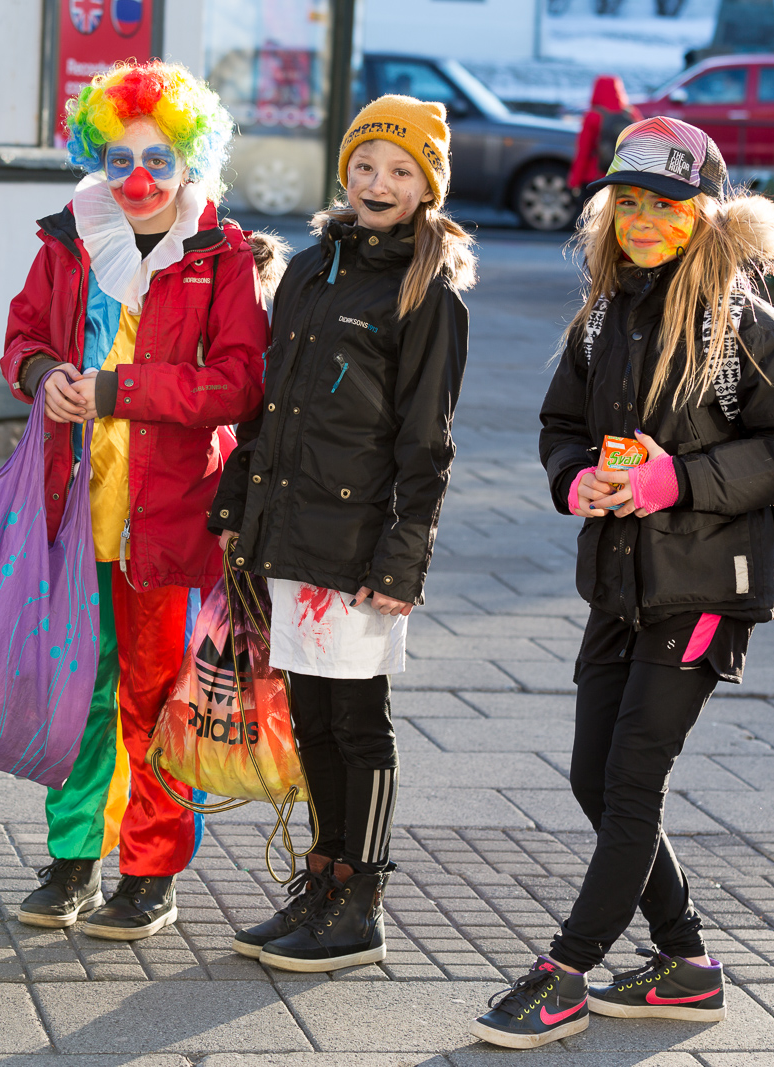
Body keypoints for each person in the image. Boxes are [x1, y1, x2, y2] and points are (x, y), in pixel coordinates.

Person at [472, 116, 774, 1049]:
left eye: (666, 205)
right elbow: (558, 420)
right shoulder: (604, 314)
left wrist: (678, 479)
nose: (643, 219)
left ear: (706, 215)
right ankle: (686, 962)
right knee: (594, 776)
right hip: (619, 581)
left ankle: (566, 971)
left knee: (632, 775)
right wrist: (574, 479)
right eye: (626, 200)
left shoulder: (745, 324)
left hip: (712, 586)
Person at [0, 60, 278, 942]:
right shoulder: (67, 238)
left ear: (191, 159)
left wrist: (122, 391)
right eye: (118, 160)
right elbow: (22, 340)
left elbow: (238, 383)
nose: (139, 180)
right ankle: (74, 856)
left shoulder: (220, 252)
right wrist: (44, 377)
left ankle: (150, 868)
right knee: (74, 687)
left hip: (169, 513)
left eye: (158, 158)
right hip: (73, 509)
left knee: (158, 692)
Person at [208, 95, 476, 973]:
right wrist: (235, 508)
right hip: (292, 532)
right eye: (366, 166)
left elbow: (425, 441)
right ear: (344, 171)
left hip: (362, 550)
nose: (378, 184)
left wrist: (403, 559)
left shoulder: (427, 294)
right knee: (313, 717)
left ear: (427, 186)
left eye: (401, 172)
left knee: (359, 720)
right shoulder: (312, 269)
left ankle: (360, 901)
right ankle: (321, 883)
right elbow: (270, 407)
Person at [568, 76, 641, 195]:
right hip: (623, 178)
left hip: (595, 178)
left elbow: (583, 153)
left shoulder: (593, 116)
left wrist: (574, 182)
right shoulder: (631, 114)